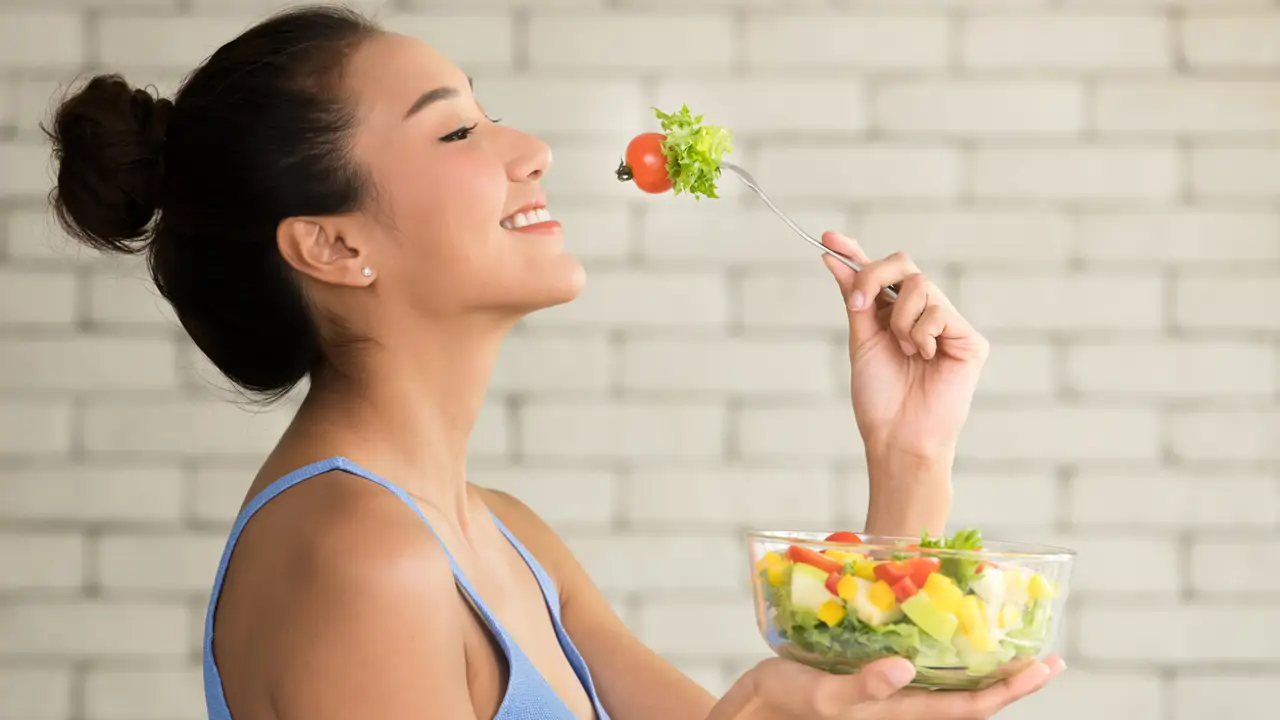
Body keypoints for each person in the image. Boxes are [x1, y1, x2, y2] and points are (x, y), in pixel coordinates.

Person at [43, 5, 1063, 719]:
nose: (527, 148)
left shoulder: (504, 538)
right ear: (335, 246)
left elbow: (855, 707)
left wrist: (907, 454)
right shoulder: (353, 556)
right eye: (455, 129)